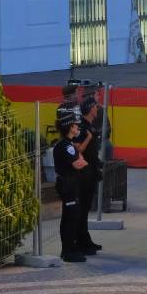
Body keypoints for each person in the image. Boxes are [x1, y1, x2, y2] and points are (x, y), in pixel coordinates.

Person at [52, 114, 90, 263]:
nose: (77, 127)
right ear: (69, 128)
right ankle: (68, 251)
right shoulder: (67, 146)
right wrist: (81, 161)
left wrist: (80, 159)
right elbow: (79, 163)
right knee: (70, 218)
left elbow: (80, 159)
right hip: (68, 185)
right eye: (75, 125)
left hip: (69, 184)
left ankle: (68, 249)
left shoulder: (68, 145)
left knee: (70, 216)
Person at [75, 97, 103, 255]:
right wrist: (88, 138)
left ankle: (85, 239)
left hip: (91, 170)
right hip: (84, 172)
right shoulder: (82, 127)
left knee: (86, 208)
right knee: (82, 208)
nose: (97, 109)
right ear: (89, 108)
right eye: (95, 107)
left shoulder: (90, 125)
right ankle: (81, 241)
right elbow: (77, 150)